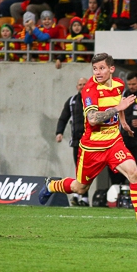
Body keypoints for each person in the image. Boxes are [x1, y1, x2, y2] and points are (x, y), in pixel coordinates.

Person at [39, 53, 137, 237]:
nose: (98, 72)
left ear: (111, 69)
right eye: (95, 69)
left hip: (114, 143)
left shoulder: (119, 84)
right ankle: (52, 186)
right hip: (92, 148)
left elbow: (119, 104)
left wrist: (123, 122)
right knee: (80, 188)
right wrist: (118, 109)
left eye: (102, 68)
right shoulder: (90, 90)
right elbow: (93, 119)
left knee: (134, 173)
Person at [55, 77, 88, 206]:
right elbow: (63, 118)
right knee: (79, 168)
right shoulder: (72, 101)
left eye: (84, 84)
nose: (82, 86)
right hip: (76, 141)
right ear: (77, 87)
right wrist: (59, 132)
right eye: (80, 84)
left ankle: (83, 196)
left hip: (90, 142)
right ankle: (79, 195)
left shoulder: (93, 100)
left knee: (87, 169)